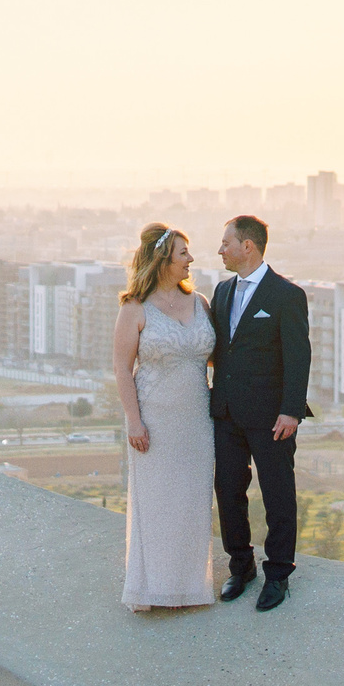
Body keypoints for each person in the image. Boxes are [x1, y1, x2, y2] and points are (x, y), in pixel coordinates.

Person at [209, 214, 313, 612]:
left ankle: (279, 575)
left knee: (278, 496)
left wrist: (291, 412)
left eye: (225, 243)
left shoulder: (287, 295)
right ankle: (241, 566)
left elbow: (298, 357)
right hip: (227, 414)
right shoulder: (221, 292)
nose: (220, 250)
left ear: (246, 246)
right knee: (228, 491)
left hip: (272, 418)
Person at [112, 224, 217, 611]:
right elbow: (122, 369)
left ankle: (190, 586)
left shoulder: (201, 302)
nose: (190, 259)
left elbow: (216, 358)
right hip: (153, 421)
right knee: (157, 504)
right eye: (183, 253)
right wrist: (134, 422)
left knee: (192, 502)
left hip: (197, 421)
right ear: (163, 260)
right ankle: (152, 587)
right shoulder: (134, 309)